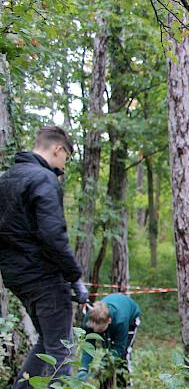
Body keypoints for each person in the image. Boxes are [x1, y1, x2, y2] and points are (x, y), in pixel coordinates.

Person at [0, 126, 87, 388]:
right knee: (61, 351)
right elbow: (53, 235)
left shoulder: (6, 178)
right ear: (57, 149)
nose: (63, 167)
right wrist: (75, 277)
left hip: (17, 279)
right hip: (45, 280)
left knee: (46, 343)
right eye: (66, 160)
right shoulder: (43, 179)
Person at [78, 294, 142, 387]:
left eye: (99, 331)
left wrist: (104, 365)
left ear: (109, 321)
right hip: (111, 319)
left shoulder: (121, 321)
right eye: (93, 329)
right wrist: (84, 368)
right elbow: (89, 346)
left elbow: (119, 348)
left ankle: (124, 385)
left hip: (130, 318)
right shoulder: (89, 320)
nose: (95, 332)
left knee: (122, 358)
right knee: (107, 356)